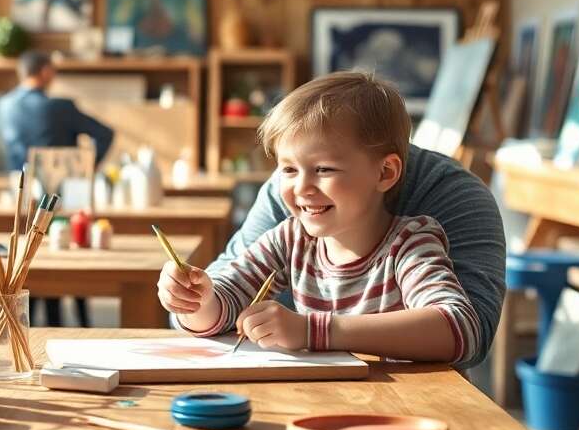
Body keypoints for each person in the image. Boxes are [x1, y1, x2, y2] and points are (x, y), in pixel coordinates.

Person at [158, 71, 504, 368]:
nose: (302, 188)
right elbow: (224, 305)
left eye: (323, 169)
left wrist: (312, 331)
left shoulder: (411, 243)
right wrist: (197, 300)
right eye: (289, 169)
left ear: (385, 172)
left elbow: (460, 329)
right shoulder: (289, 239)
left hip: (404, 407)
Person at [0, 50, 115, 326]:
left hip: (21, 196)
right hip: (65, 195)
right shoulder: (61, 107)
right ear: (46, 71)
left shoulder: (4, 106)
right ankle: (80, 321)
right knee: (69, 249)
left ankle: (40, 320)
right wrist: (87, 167)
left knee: (31, 256)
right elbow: (105, 133)